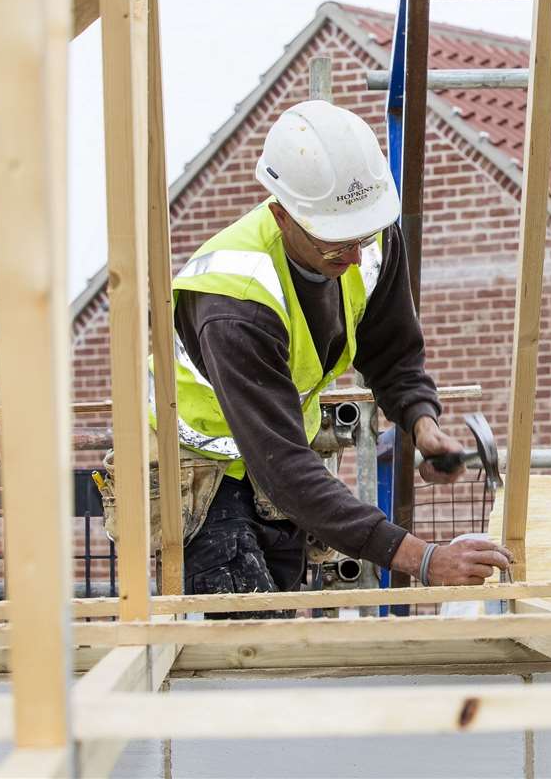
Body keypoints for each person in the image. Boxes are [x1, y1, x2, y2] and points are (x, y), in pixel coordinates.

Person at [156, 100, 512, 606]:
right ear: (281, 215)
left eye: (362, 237)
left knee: (282, 625)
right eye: (333, 246)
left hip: (280, 459)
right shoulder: (233, 299)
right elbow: (286, 471)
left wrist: (420, 421)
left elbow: (392, 352)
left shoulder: (365, 235)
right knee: (242, 644)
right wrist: (424, 559)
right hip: (200, 473)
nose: (354, 257)